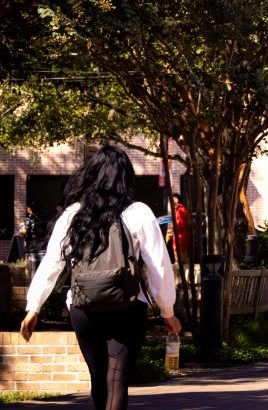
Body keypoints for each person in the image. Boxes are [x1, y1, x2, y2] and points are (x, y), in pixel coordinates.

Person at [20, 146, 181, 410]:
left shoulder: (73, 214)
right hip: (128, 307)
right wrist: (167, 311)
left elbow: (52, 263)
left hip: (83, 308)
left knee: (98, 378)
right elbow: (158, 266)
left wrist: (33, 307)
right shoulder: (139, 212)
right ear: (125, 176)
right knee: (117, 379)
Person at [167, 194, 191, 264]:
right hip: (180, 235)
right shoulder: (178, 210)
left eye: (172, 199)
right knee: (180, 257)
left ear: (177, 200)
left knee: (180, 258)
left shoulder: (180, 210)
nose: (170, 201)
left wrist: (172, 230)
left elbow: (180, 225)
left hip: (181, 236)